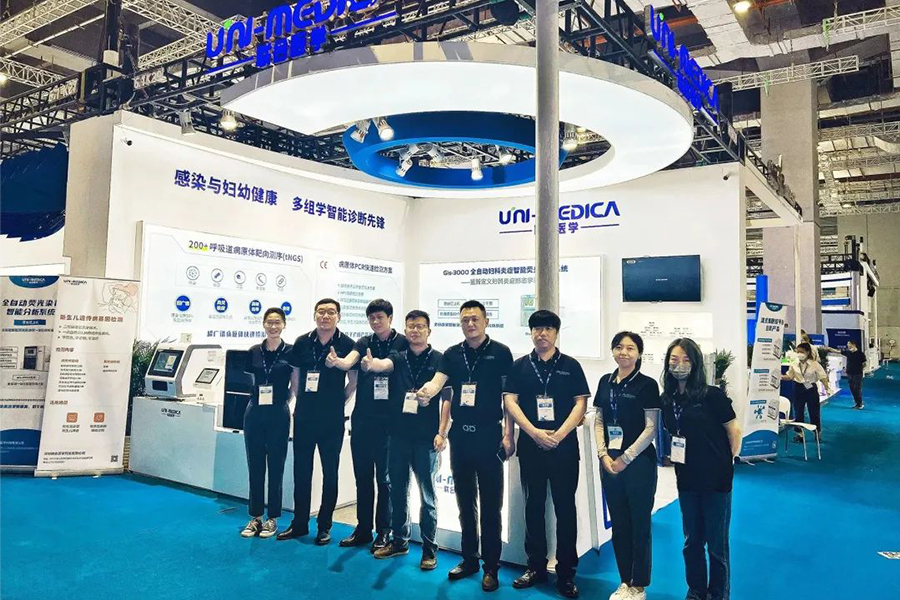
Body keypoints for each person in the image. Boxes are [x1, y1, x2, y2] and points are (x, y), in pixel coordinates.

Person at [416, 300, 515, 592]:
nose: (470, 324)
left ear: (486, 321)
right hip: (461, 437)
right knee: (464, 502)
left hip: (489, 436)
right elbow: (439, 384)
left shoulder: (501, 353)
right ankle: (469, 559)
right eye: (465, 320)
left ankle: (491, 567)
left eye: (475, 319)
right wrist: (427, 392)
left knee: (491, 506)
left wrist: (509, 434)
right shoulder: (452, 354)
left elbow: (509, 398)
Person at [504, 310, 590, 599]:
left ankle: (566, 573)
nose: (542, 334)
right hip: (531, 446)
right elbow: (510, 402)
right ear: (531, 333)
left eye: (548, 329)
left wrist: (558, 435)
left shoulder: (571, 366)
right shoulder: (519, 366)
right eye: (537, 329)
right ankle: (535, 567)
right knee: (533, 506)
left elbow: (580, 404)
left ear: (556, 333)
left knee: (565, 509)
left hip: (564, 448)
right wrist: (534, 433)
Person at [362, 310, 451, 570]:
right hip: (398, 435)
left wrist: (442, 432)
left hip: (426, 438)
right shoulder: (398, 357)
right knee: (398, 492)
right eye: (411, 326)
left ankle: (429, 549)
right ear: (405, 329)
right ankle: (400, 541)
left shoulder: (440, 359)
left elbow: (446, 397)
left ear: (429, 331)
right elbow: (384, 365)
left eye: (420, 326)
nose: (415, 330)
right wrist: (372, 365)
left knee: (427, 497)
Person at [660, 338, 742, 600]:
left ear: (695, 364)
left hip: (716, 480)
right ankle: (696, 590)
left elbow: (734, 431)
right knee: (692, 541)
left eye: (686, 360)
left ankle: (718, 594)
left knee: (717, 546)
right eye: (674, 360)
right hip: (686, 479)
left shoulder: (712, 395)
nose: (680, 365)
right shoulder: (667, 400)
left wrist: (725, 462)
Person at [327, 299, 408, 552]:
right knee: (362, 477)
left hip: (389, 422)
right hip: (362, 420)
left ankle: (383, 531)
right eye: (372, 318)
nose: (376, 321)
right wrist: (338, 362)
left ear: (390, 318)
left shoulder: (402, 342)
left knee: (385, 480)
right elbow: (349, 360)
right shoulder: (364, 342)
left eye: (380, 317)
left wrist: (374, 365)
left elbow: (388, 364)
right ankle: (363, 528)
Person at [277, 298, 356, 545]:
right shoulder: (302, 342)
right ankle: (299, 523)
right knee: (302, 470)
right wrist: (299, 400)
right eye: (321, 312)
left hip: (332, 418)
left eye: (331, 312)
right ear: (314, 315)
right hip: (304, 416)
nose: (325, 316)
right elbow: (296, 376)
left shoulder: (347, 344)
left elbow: (353, 380)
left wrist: (338, 401)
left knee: (330, 472)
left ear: (338, 316)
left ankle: (324, 526)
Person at [593, 331, 661, 600]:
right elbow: (599, 419)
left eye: (630, 348)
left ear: (639, 354)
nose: (624, 352)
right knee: (619, 523)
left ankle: (639, 584)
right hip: (610, 462)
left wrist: (626, 458)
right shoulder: (605, 382)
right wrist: (602, 454)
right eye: (619, 347)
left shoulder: (647, 385)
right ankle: (624, 581)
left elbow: (651, 428)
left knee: (639, 523)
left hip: (638, 463)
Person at [240, 307, 294, 539]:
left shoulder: (290, 352)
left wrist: (284, 401)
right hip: (254, 412)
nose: (273, 326)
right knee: (255, 465)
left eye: (277, 322)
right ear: (263, 324)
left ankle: (272, 518)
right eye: (269, 322)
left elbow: (295, 383)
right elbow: (249, 380)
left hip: (279, 413)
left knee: (276, 465)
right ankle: (255, 517)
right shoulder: (254, 351)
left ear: (284, 325)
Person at [781, 342, 831, 439]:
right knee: (798, 411)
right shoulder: (794, 363)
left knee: (814, 412)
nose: (799, 354)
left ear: (807, 352)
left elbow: (823, 377)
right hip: (798, 388)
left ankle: (817, 432)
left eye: (801, 352)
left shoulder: (815, 364)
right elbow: (790, 376)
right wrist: (781, 377)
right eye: (798, 352)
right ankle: (799, 434)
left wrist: (827, 388)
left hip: (810, 388)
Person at [823, 340, 866, 409]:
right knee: (852, 388)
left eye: (849, 344)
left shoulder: (860, 353)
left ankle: (860, 403)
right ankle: (857, 402)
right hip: (849, 373)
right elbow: (838, 351)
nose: (848, 345)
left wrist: (859, 369)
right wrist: (829, 348)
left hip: (857, 373)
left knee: (857, 388)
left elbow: (864, 363)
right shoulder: (848, 352)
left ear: (853, 344)